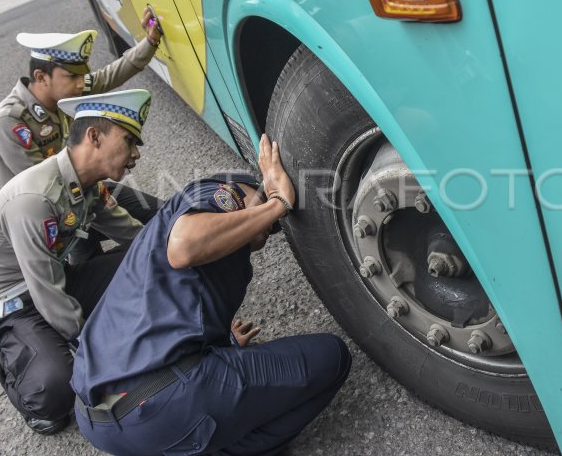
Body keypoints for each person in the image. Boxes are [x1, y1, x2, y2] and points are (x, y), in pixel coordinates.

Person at [71, 135, 352, 456]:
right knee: (333, 356)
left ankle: (184, 439)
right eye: (268, 223)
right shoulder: (226, 194)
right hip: (157, 410)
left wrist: (217, 346)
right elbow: (184, 246)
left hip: (97, 421)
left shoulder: (160, 243)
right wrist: (277, 203)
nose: (269, 231)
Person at [0, 89, 153, 435]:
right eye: (129, 141)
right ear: (94, 137)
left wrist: (181, 249)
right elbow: (48, 295)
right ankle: (19, 373)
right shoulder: (33, 199)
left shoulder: (85, 183)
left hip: (54, 281)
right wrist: (104, 360)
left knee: (145, 258)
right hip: (13, 309)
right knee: (56, 390)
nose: (136, 154)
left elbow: (134, 234)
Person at [0, 8, 162, 223]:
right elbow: (45, 186)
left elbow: (109, 76)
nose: (81, 83)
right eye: (72, 76)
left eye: (82, 76)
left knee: (158, 212)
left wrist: (150, 42)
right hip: (49, 209)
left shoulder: (68, 90)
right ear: (41, 77)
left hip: (81, 186)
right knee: (92, 247)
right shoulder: (10, 121)